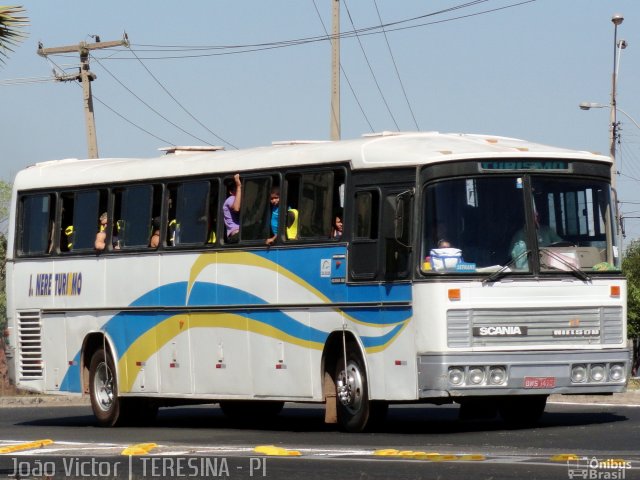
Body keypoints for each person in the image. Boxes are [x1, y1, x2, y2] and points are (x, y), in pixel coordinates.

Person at [223, 174, 242, 243]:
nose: (240, 192)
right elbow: (236, 208)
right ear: (231, 192)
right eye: (236, 190)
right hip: (235, 234)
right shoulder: (231, 199)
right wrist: (239, 186)